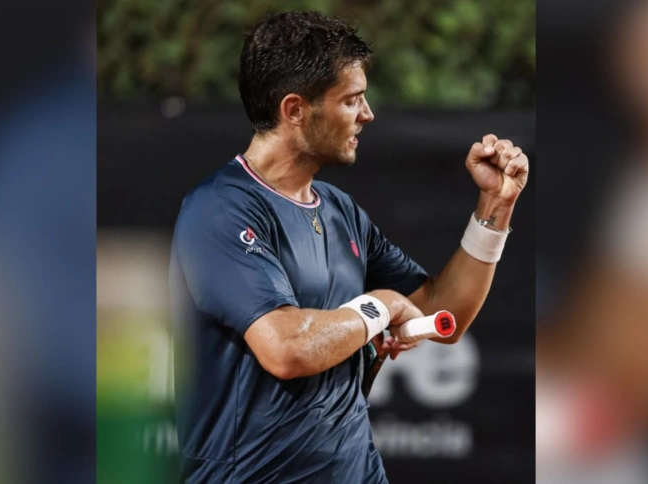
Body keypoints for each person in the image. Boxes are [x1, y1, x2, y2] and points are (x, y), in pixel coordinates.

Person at [169, 11, 528, 483]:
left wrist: (495, 208)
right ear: (294, 109)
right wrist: (377, 308)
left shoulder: (340, 210)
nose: (367, 114)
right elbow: (287, 348)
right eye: (352, 100)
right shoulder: (218, 209)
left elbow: (445, 316)